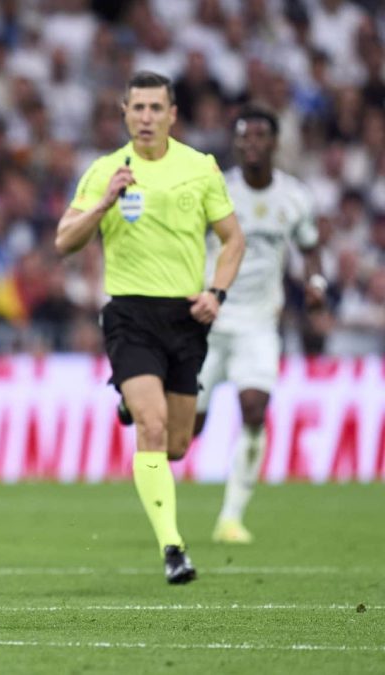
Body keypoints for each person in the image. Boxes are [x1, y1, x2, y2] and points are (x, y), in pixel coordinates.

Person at [54, 71, 246, 584]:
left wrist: (216, 293)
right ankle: (173, 548)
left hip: (185, 318)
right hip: (130, 315)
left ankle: (131, 400)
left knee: (177, 444)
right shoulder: (105, 170)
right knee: (153, 429)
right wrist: (104, 202)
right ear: (124, 112)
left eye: (155, 108)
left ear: (172, 114)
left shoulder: (200, 168)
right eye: (137, 107)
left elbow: (233, 239)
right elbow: (64, 241)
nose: (146, 117)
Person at [195, 107, 325, 544]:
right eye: (243, 136)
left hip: (259, 323)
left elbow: (310, 247)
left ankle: (231, 518)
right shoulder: (216, 191)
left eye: (259, 136)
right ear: (235, 144)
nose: (251, 143)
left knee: (254, 408)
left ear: (274, 143)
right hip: (210, 320)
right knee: (186, 431)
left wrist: (316, 284)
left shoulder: (295, 197)